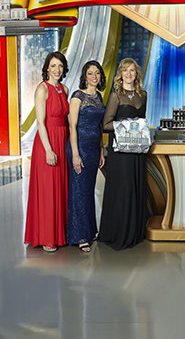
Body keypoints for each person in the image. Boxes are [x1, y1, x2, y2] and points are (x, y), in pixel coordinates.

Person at [98, 58, 148, 250]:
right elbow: (106, 124)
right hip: (120, 152)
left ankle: (135, 232)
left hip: (137, 151)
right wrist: (128, 126)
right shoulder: (115, 96)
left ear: (136, 74)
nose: (129, 74)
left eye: (132, 70)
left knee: (136, 187)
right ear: (120, 73)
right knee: (123, 189)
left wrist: (145, 135)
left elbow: (143, 121)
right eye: (125, 70)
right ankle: (119, 233)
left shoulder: (143, 95)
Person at [24, 51, 69, 252]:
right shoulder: (42, 89)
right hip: (47, 142)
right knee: (48, 191)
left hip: (63, 140)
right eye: (53, 66)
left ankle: (60, 233)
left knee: (61, 188)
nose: (57, 70)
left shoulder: (64, 89)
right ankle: (47, 237)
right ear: (47, 68)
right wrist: (49, 150)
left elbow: (67, 119)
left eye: (60, 66)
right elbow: (40, 123)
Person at [66, 61, 106, 253]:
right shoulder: (77, 96)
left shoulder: (98, 96)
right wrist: (75, 154)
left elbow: (100, 126)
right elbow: (72, 126)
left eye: (97, 73)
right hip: (79, 148)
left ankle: (90, 231)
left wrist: (101, 150)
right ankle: (80, 235)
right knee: (79, 191)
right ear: (85, 76)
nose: (94, 76)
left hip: (93, 150)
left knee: (88, 190)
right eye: (90, 73)